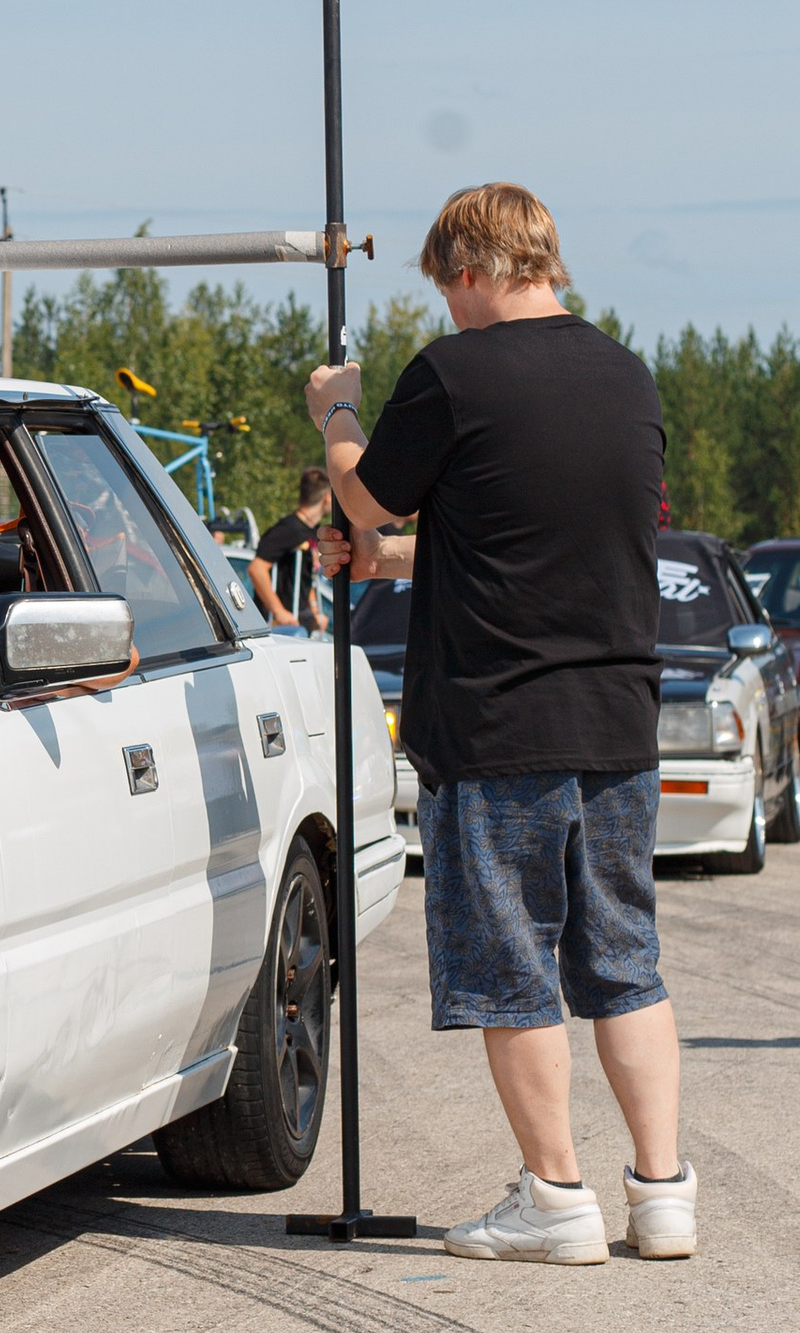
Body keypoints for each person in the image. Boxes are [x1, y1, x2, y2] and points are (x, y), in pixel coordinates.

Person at [313, 179, 689, 1266]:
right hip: (614, 713)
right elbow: (524, 543)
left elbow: (363, 495)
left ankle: (555, 1197)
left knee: (512, 966)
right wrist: (385, 562)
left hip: (496, 721)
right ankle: (661, 1193)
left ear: (471, 271)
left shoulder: (453, 373)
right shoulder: (624, 375)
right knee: (625, 960)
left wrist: (336, 409)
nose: (445, 312)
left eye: (445, 290)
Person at [249, 468, 334, 628]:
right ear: (327, 498)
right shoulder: (289, 529)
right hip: (281, 624)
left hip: (301, 617)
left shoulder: (311, 531)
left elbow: (308, 574)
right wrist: (279, 611)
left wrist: (315, 611)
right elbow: (256, 569)